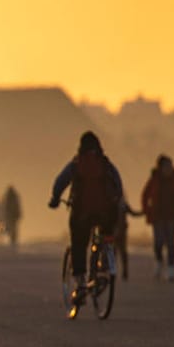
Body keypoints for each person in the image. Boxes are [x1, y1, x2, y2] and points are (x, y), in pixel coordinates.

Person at [49, 130, 124, 315]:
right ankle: (105, 259)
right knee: (106, 235)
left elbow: (60, 182)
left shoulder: (77, 164)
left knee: (79, 244)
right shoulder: (105, 164)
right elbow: (118, 184)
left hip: (82, 213)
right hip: (106, 214)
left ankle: (81, 282)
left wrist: (55, 199)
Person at [140, 154, 174, 280]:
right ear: (160, 167)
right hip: (157, 216)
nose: (168, 168)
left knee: (171, 243)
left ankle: (171, 268)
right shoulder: (154, 179)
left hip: (172, 216)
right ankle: (159, 262)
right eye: (166, 166)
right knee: (158, 242)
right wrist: (147, 210)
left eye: (170, 165)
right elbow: (145, 195)